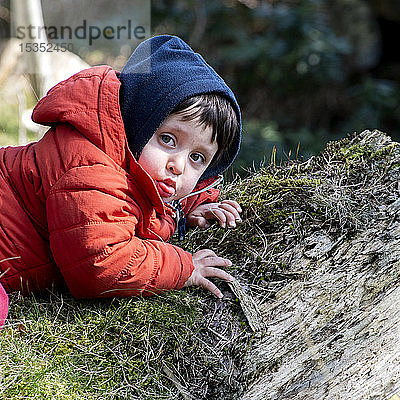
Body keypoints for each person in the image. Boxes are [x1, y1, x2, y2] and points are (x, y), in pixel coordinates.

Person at [0, 35, 242, 312]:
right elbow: (100, 264)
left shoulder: (140, 166)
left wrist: (194, 205)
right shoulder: (91, 169)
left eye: (197, 158)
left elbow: (150, 198)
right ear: (136, 122)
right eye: (168, 139)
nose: (178, 166)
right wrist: (185, 267)